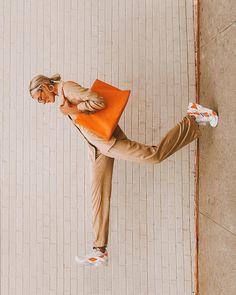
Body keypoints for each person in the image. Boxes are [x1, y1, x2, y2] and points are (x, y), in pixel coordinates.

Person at [29, 73, 218, 267]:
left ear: (44, 87)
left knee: (153, 156)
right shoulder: (63, 97)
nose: (42, 102)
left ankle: (193, 118)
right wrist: (90, 146)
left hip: (108, 143)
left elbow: (98, 101)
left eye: (39, 98)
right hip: (98, 150)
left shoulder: (67, 89)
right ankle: (99, 250)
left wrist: (74, 108)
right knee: (98, 196)